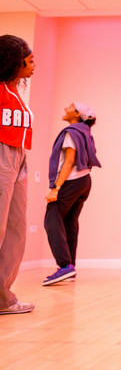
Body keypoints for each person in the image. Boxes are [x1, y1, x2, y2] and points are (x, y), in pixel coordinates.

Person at [42, 102, 101, 286]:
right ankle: (70, 269)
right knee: (69, 224)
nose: (65, 108)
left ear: (77, 114)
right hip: (85, 181)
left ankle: (65, 266)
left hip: (72, 181)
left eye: (69, 106)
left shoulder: (72, 132)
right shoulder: (85, 131)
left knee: (51, 218)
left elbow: (69, 161)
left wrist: (56, 188)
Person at [0, 35, 35, 315]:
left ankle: (2, 296)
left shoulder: (16, 93)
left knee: (17, 230)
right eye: (29, 58)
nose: (34, 63)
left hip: (19, 155)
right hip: (2, 155)